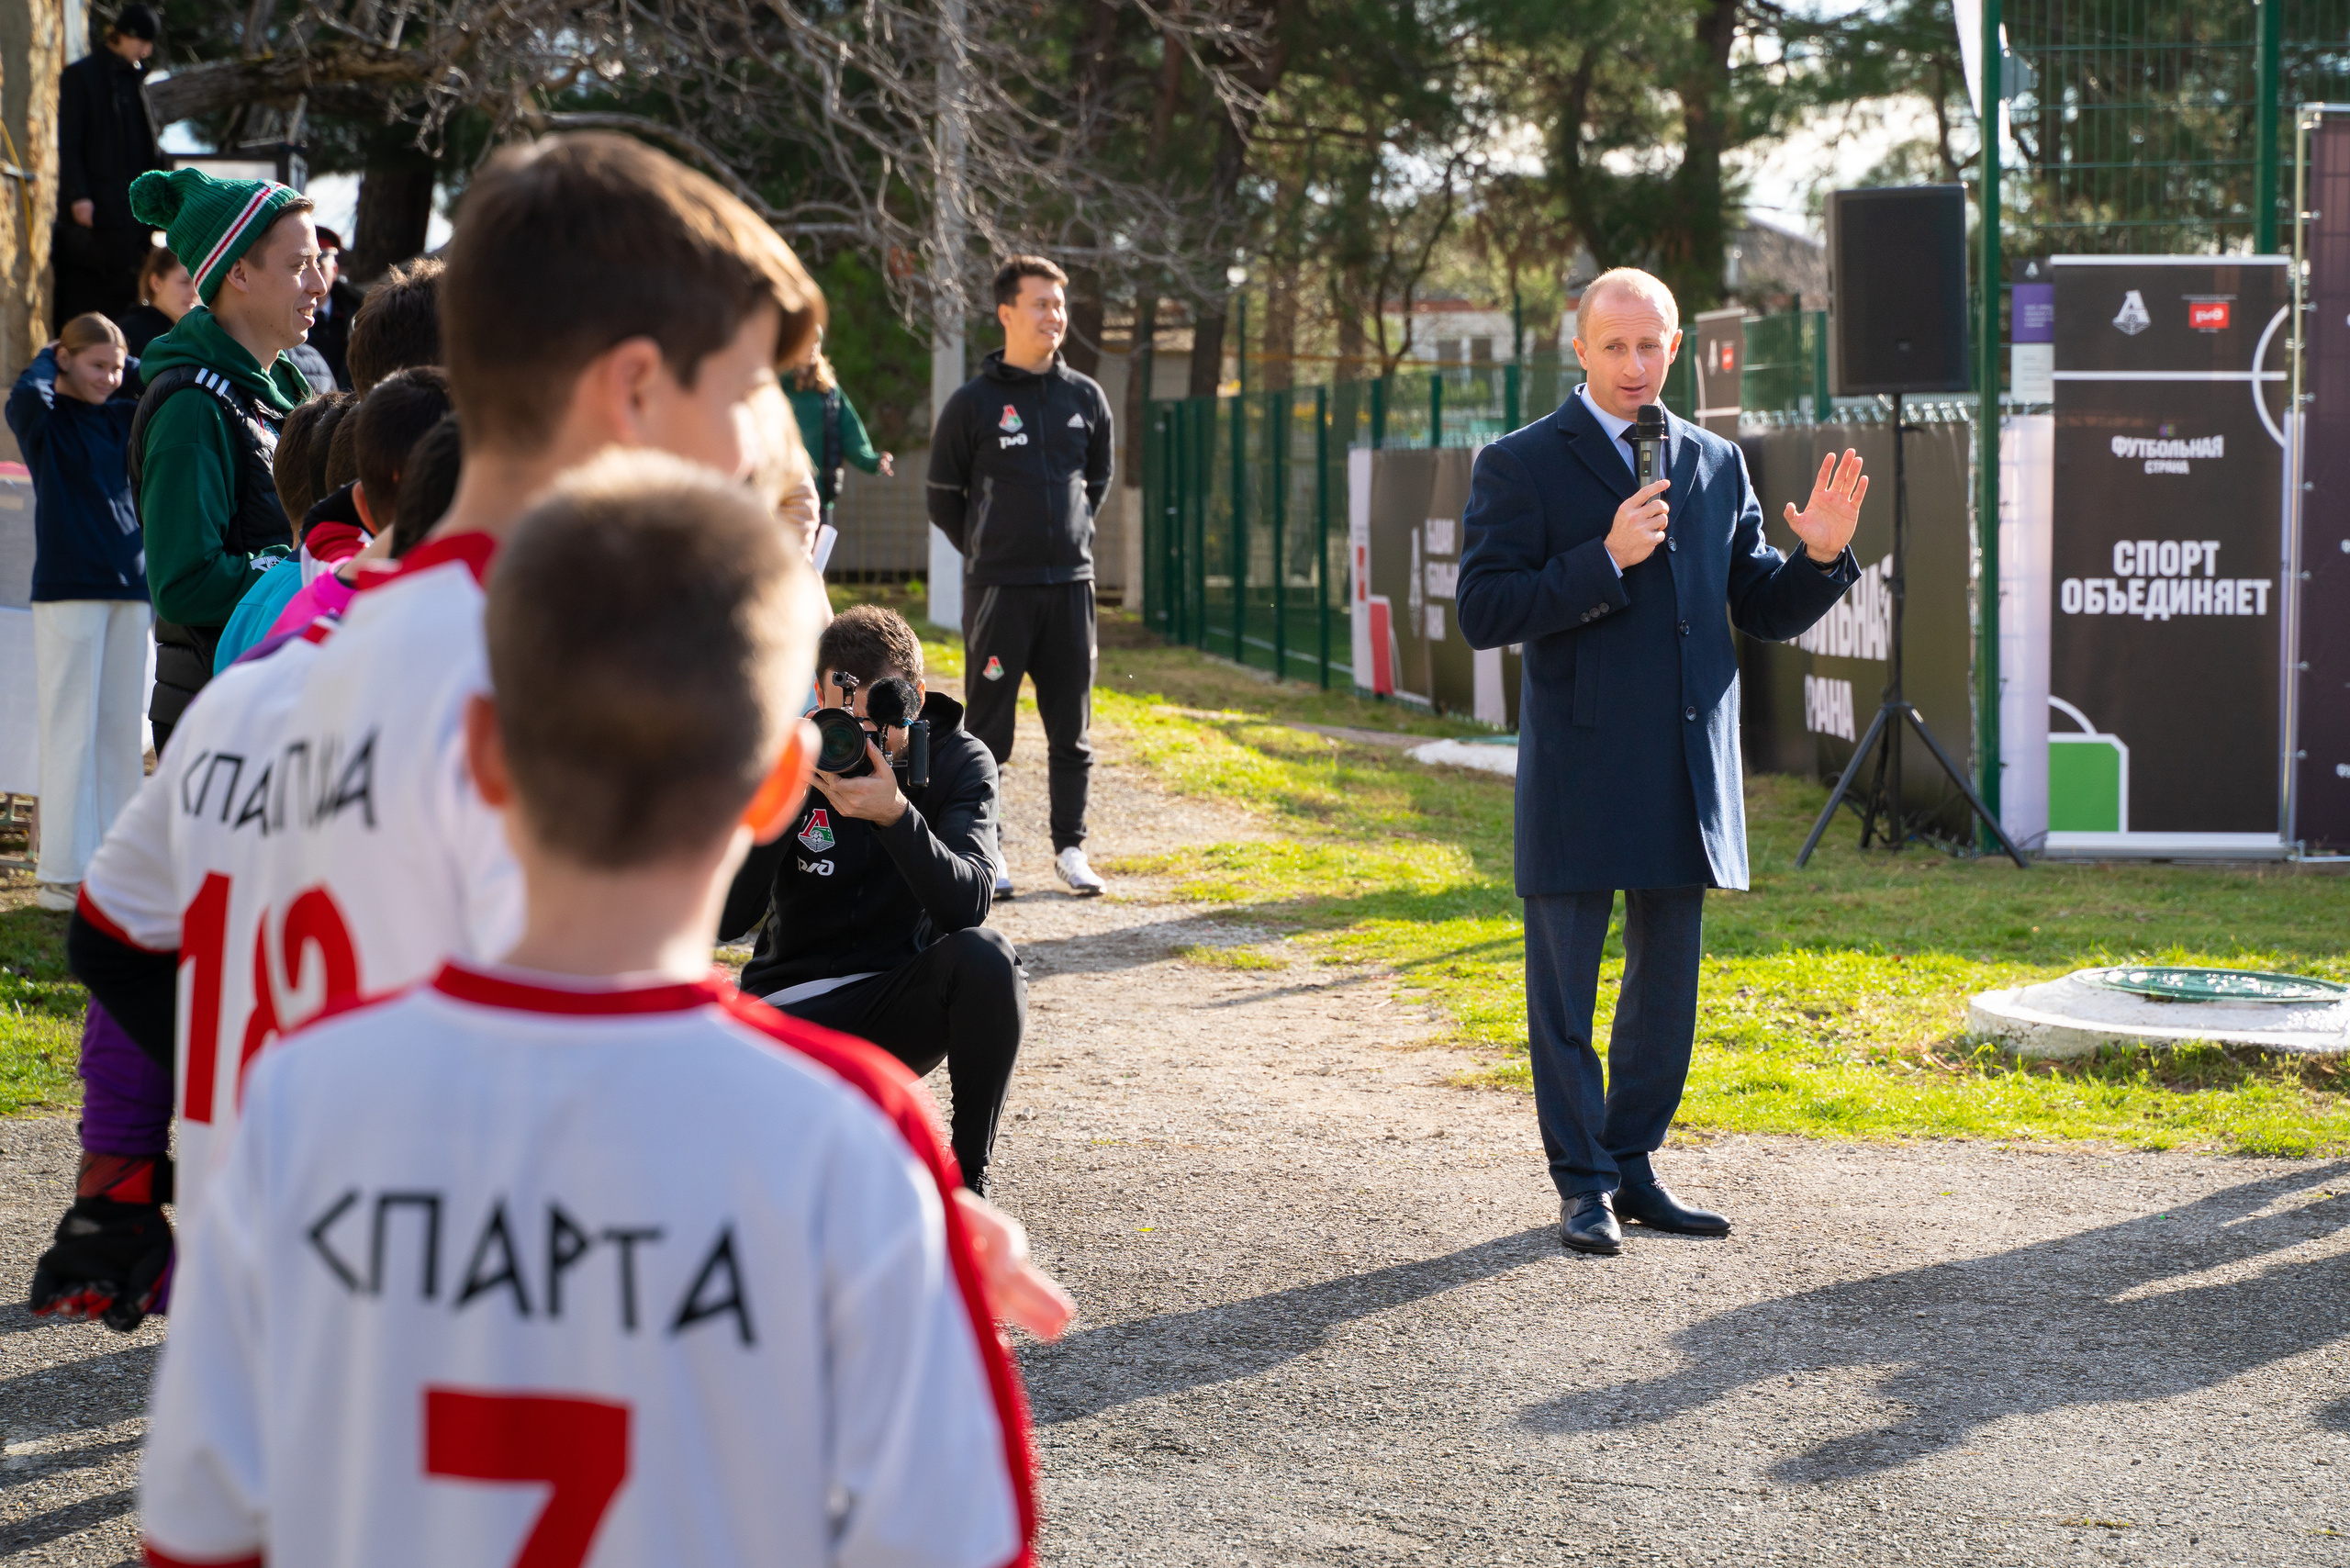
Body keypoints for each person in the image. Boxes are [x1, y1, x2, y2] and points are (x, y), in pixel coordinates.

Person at [55, 131, 1072, 1344]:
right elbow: (608, 1043)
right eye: (745, 383)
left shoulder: (272, 682)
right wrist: (871, 1189)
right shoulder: (564, 688)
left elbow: (121, 936)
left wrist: (207, 1152)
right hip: (481, 1345)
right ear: (633, 383)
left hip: (276, 1349)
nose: (764, 434)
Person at [137, 454, 1043, 1568]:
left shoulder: (299, 1107)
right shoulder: (847, 1149)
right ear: (771, 778)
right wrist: (919, 1266)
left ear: (478, 754)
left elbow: (198, 1532)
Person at [1455, 267, 1865, 1258]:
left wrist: (1817, 561)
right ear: (1581, 351)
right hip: (1578, 768)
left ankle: (1633, 1165)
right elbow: (1484, 609)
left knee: (1664, 995)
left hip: (1685, 768)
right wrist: (1604, 559)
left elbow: (1757, 607)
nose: (1634, 366)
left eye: (1651, 346)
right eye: (1614, 347)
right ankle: (1582, 1183)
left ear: (1675, 348)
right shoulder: (1518, 463)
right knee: (1563, 994)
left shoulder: (1718, 462)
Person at [724, 604, 1024, 1193]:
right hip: (789, 1009)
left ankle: (967, 1183)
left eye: (879, 721)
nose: (861, 740)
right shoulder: (787, 754)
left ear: (912, 698)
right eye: (844, 719)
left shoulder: (959, 760)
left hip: (892, 1003)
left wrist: (895, 815)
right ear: (817, 692)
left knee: (988, 958)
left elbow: (967, 907)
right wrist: (788, 790)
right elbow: (729, 917)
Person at [927, 253, 1113, 901]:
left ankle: (1072, 847)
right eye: (1042, 303)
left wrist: (1069, 538)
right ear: (1007, 312)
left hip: (1070, 587)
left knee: (1073, 728)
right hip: (999, 592)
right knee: (989, 730)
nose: (1055, 316)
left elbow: (1097, 483)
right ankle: (991, 849)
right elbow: (942, 498)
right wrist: (988, 551)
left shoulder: (1085, 398)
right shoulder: (972, 405)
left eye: (1059, 305)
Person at [123, 165, 326, 750]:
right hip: (217, 717)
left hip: (268, 701)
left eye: (315, 264)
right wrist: (302, 571)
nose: (318, 284)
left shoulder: (283, 392)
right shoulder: (193, 405)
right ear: (236, 271)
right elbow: (183, 583)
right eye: (297, 266)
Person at [5, 314, 148, 912]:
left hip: (131, 587)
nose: (110, 378)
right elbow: (23, 396)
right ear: (65, 359)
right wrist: (52, 356)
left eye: (117, 368)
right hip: (68, 587)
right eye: (98, 366)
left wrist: (121, 356)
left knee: (119, 732)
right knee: (70, 729)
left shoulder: (121, 415)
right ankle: (62, 874)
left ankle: (117, 865)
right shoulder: (46, 419)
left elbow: (151, 383)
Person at [51, 4, 167, 323]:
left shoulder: (138, 82)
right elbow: (70, 142)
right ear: (123, 35)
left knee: (125, 303)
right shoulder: (81, 76)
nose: (146, 50)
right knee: (86, 302)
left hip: (131, 221)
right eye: (141, 40)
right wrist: (79, 195)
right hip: (95, 219)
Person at [788, 336, 892, 530]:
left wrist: (872, 460)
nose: (813, 347)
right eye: (807, 341)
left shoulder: (827, 388)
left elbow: (850, 430)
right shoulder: (773, 385)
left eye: (817, 342)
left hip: (818, 496)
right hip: (781, 498)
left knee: (816, 559)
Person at [304, 225, 364, 388]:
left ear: (335, 270)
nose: (313, 277)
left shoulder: (360, 314)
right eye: (304, 267)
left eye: (320, 266)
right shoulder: (283, 313)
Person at [117, 243, 196, 359]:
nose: (194, 293)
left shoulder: (194, 334)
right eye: (184, 282)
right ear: (156, 283)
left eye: (198, 282)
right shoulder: (130, 333)